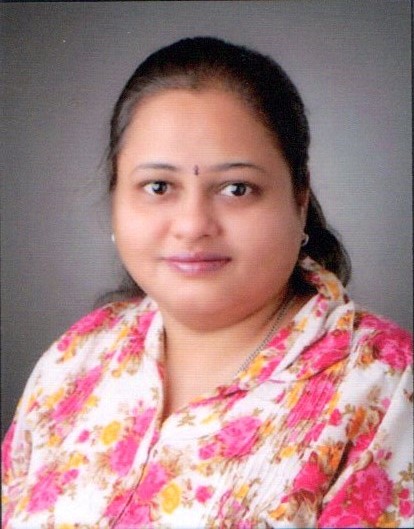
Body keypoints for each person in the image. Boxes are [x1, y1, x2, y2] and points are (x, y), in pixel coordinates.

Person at [1, 36, 412, 529]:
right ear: (116, 200)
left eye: (237, 188)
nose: (193, 225)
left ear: (299, 198)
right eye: (158, 187)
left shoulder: (384, 385)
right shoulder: (76, 358)